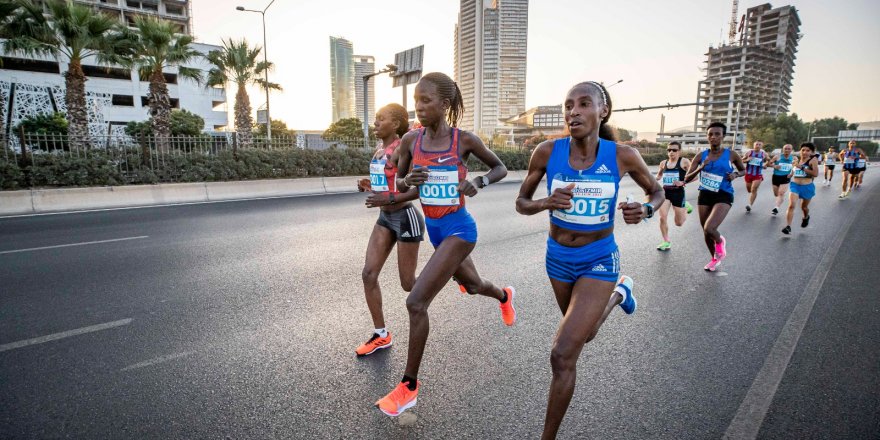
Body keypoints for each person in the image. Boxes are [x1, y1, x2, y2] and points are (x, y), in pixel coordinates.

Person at [515, 81, 664, 440]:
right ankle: (620, 294)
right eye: (568, 105)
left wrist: (645, 210)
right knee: (587, 334)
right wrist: (546, 203)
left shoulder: (623, 155)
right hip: (558, 258)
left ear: (603, 111)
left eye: (584, 104)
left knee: (562, 353)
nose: (574, 112)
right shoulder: (546, 152)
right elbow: (522, 203)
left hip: (599, 257)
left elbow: (657, 192)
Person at [374, 72, 515, 417]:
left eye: (426, 100)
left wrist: (479, 181)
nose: (419, 107)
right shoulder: (411, 140)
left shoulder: (463, 141)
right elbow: (401, 179)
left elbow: (500, 168)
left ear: (445, 104)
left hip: (460, 230)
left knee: (416, 302)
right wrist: (408, 180)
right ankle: (504, 295)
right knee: (474, 284)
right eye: (416, 101)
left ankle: (408, 387)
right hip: (436, 232)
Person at [354, 104, 425, 357]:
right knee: (368, 274)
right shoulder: (379, 151)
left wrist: (389, 198)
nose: (375, 123)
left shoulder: (404, 149)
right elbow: (386, 184)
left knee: (409, 284)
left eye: (380, 119)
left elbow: (417, 190)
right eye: (375, 119)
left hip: (406, 217)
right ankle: (381, 335)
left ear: (395, 124)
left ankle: (446, 272)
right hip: (385, 218)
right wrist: (369, 184)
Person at [683, 122, 746, 272]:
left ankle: (720, 241)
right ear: (707, 137)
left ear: (723, 136)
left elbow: (743, 170)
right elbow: (686, 178)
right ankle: (714, 258)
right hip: (705, 194)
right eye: (710, 134)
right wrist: (700, 168)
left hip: (724, 194)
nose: (713, 137)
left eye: (717, 134)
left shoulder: (731, 154)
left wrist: (735, 174)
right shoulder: (701, 155)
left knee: (710, 228)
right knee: (705, 231)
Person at [654, 141, 693, 250]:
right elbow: (659, 175)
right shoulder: (663, 163)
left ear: (679, 151)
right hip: (665, 193)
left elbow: (694, 176)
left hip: (678, 193)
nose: (671, 152)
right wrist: (652, 180)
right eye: (669, 150)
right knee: (662, 217)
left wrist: (683, 182)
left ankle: (685, 207)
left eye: (674, 150)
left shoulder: (684, 162)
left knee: (679, 223)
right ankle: (666, 241)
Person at [783, 142, 819, 234]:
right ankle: (788, 226)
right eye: (803, 150)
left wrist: (801, 167)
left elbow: (815, 174)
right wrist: (790, 174)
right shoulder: (796, 160)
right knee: (791, 205)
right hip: (795, 185)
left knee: (804, 207)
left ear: (811, 152)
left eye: (808, 150)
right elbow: (794, 170)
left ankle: (806, 217)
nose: (805, 152)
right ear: (800, 151)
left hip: (807, 187)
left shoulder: (812, 160)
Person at [741, 140, 769, 212]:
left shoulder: (764, 154)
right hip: (748, 174)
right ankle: (752, 197)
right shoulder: (749, 152)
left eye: (759, 145)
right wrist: (747, 160)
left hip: (758, 175)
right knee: (749, 190)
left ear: (761, 146)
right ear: (754, 145)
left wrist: (765, 165)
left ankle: (749, 205)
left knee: (754, 189)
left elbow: (769, 160)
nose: (758, 146)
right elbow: (741, 161)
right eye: (756, 144)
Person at [769, 144, 795, 215]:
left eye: (789, 149)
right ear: (783, 149)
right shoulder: (777, 157)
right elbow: (769, 163)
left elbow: (795, 167)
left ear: (791, 150)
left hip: (786, 177)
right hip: (776, 177)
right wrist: (774, 166)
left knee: (781, 193)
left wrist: (792, 174)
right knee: (776, 194)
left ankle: (776, 208)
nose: (787, 150)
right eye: (785, 148)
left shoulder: (794, 158)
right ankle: (780, 198)